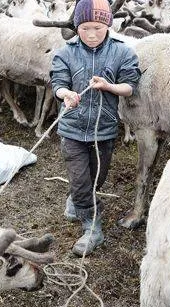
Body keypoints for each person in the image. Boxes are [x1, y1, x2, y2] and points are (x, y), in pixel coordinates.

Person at [49, 0, 141, 256]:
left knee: (96, 179)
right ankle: (92, 228)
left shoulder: (123, 53)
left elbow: (130, 86)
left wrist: (109, 86)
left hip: (104, 129)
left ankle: (78, 200)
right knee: (81, 181)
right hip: (72, 130)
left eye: (98, 28)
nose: (91, 34)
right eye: (85, 27)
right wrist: (66, 93)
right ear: (77, 26)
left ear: (108, 25)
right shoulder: (64, 53)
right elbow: (57, 83)